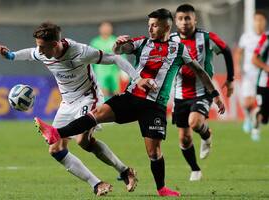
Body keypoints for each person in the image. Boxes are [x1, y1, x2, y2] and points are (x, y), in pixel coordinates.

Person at [34, 9, 225, 197]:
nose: (150, 29)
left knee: (154, 152)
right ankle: (56, 132)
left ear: (166, 26)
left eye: (154, 25)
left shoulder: (179, 49)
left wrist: (215, 94)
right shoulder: (142, 42)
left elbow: (200, 71)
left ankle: (162, 189)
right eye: (149, 25)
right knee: (97, 114)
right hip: (131, 97)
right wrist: (118, 45)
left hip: (154, 106)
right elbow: (119, 52)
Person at [0, 22, 140, 196]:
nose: (39, 51)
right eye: (38, 46)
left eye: (42, 47)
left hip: (88, 97)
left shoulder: (80, 52)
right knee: (55, 149)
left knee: (82, 141)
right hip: (67, 103)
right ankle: (97, 184)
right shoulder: (43, 52)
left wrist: (137, 79)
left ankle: (124, 172)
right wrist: (10, 55)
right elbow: (30, 54)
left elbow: (115, 58)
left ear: (55, 44)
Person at [170, 4, 234, 181]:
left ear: (194, 19)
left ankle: (207, 135)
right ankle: (195, 169)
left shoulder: (206, 38)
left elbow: (226, 50)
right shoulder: (170, 40)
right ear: (176, 21)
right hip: (179, 95)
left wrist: (230, 79)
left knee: (195, 122)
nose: (184, 22)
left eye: (188, 18)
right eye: (181, 19)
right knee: (184, 139)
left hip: (203, 90)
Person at [234, 11, 267, 137]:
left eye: (261, 20)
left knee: (260, 103)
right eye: (256, 20)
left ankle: (256, 128)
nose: (258, 23)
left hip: (263, 75)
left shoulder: (267, 37)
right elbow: (238, 52)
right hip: (248, 74)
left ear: (264, 23)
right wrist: (237, 66)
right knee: (247, 103)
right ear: (253, 22)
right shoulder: (246, 37)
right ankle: (248, 117)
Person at [90, 22, 122, 100]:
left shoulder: (115, 41)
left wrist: (123, 72)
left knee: (117, 92)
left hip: (114, 71)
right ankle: (105, 109)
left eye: (108, 27)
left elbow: (122, 57)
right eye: (103, 27)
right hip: (100, 71)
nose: (106, 29)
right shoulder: (95, 42)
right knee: (103, 93)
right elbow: (91, 59)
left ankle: (118, 110)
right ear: (100, 29)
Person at [251, 31, 269, 140]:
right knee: (264, 116)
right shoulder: (266, 37)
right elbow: (254, 59)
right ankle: (255, 128)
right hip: (264, 82)